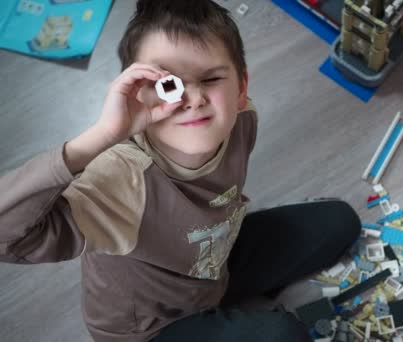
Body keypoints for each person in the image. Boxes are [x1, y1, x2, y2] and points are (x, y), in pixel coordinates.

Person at [0, 1, 361, 341]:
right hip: (151, 324)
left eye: (210, 80)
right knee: (285, 333)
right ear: (136, 95)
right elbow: (8, 239)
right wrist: (94, 142)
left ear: (241, 89)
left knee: (341, 222)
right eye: (167, 84)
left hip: (211, 265)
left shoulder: (242, 119)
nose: (193, 98)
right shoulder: (119, 180)